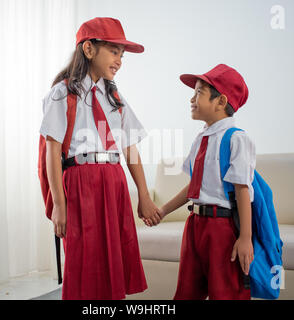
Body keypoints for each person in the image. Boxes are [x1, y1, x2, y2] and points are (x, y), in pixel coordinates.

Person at [39, 17, 161, 300]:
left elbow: (130, 147)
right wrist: (59, 203)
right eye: (113, 51)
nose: (119, 60)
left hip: (113, 181)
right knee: (84, 261)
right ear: (89, 50)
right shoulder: (62, 93)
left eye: (122, 54)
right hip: (79, 182)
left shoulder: (115, 95)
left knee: (114, 260)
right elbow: (52, 151)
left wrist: (143, 195)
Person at [151, 64, 254, 300]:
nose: (192, 98)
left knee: (225, 293)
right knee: (187, 291)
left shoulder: (237, 139)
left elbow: (242, 190)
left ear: (220, 101)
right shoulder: (201, 139)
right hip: (195, 225)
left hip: (222, 228)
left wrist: (245, 238)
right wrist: (164, 210)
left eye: (199, 92)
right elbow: (195, 186)